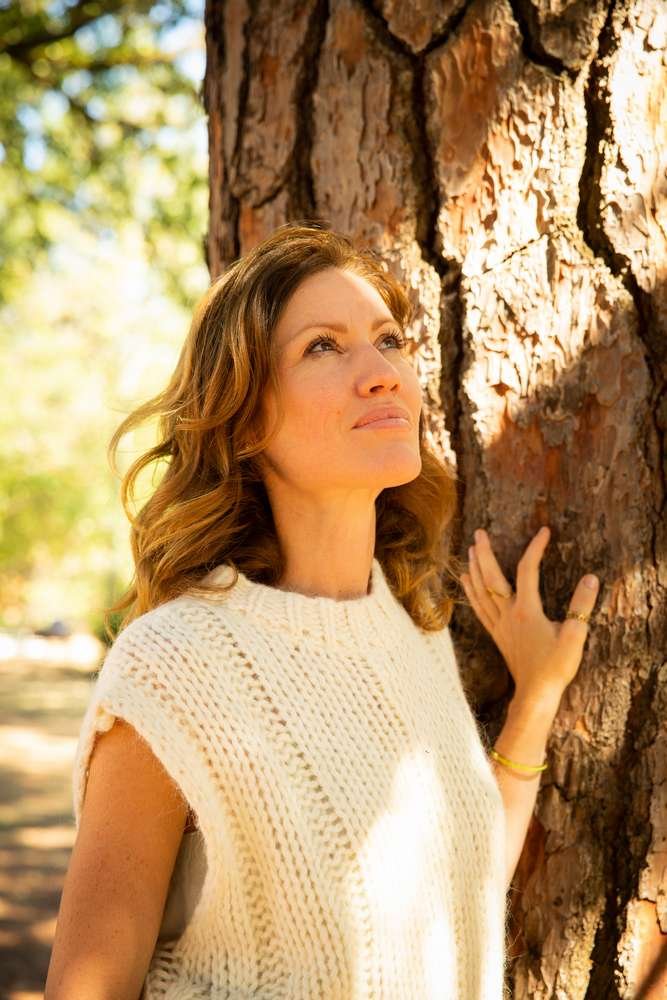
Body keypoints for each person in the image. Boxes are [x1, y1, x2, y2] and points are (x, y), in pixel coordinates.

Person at [44, 222, 599, 999]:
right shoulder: (175, 665)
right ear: (244, 421)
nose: (381, 374)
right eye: (322, 348)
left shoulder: (411, 631)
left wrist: (535, 698)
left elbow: (451, 902)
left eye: (389, 341)